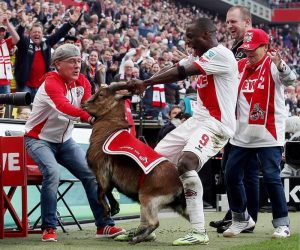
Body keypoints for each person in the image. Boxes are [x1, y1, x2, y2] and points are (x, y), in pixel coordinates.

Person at [128, 18, 239, 245]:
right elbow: (177, 66)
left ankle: (199, 231)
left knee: (186, 163)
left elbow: (181, 72)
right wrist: (148, 79)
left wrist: (146, 82)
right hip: (198, 119)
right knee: (152, 163)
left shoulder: (221, 54)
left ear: (207, 35)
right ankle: (146, 225)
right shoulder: (201, 54)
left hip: (217, 124)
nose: (187, 42)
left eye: (191, 37)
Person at [24, 44, 125, 242]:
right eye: (71, 61)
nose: (77, 65)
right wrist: (89, 118)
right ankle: (48, 228)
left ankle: (104, 226)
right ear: (58, 64)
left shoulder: (83, 82)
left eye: (79, 61)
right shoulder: (51, 82)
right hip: (38, 139)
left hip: (65, 141)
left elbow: (89, 105)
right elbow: (64, 108)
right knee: (52, 173)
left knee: (91, 175)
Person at [223, 28, 296, 238]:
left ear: (266, 47)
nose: (249, 53)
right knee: (231, 175)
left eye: (254, 49)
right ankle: (240, 219)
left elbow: (291, 80)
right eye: (246, 49)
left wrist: (281, 65)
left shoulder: (273, 65)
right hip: (241, 134)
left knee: (272, 177)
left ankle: (282, 224)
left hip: (268, 134)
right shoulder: (238, 66)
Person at [210, 5, 257, 234]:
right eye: (227, 22)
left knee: (237, 170)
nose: (229, 26)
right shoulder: (237, 47)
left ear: (247, 22)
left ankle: (244, 217)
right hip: (235, 116)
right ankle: (238, 215)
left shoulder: (252, 47)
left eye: (233, 22)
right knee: (238, 170)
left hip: (244, 118)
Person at [14, 9, 82, 100]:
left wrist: (70, 23)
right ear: (30, 34)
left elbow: (59, 34)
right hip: (25, 86)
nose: (37, 34)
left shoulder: (45, 44)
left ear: (42, 35)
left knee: (39, 113)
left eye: (39, 32)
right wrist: (22, 24)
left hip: (41, 87)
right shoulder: (25, 45)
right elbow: (18, 37)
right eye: (34, 32)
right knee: (24, 112)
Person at [0, 12, 19, 94]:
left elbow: (17, 38)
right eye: (0, 31)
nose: (1, 33)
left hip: (5, 83)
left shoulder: (6, 43)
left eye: (3, 31)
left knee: (7, 106)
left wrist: (7, 23)